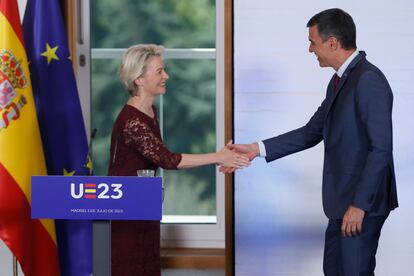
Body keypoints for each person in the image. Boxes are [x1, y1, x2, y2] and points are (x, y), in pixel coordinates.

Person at [223, 8, 398, 276]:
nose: (309, 50)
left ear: (332, 43)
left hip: (362, 203)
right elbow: (311, 132)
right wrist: (257, 149)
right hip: (342, 202)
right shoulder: (339, 80)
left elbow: (381, 149)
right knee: (334, 270)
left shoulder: (368, 80)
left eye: (312, 42)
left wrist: (360, 205)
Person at [108, 44, 250, 276]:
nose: (167, 76)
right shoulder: (133, 122)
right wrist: (219, 157)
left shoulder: (149, 111)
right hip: (127, 213)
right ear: (139, 79)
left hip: (144, 207)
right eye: (159, 72)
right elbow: (167, 159)